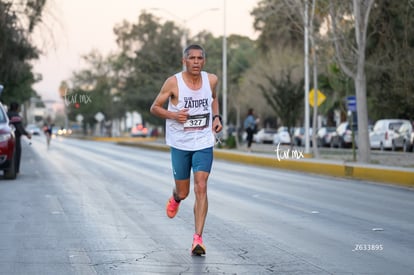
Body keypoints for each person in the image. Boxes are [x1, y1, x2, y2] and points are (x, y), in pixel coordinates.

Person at [150, 44, 222, 256]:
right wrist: (174, 115)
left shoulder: (211, 80)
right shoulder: (174, 83)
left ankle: (197, 239)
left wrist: (216, 117)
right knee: (184, 191)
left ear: (204, 61)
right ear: (185, 61)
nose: (196, 62)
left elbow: (214, 98)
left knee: (201, 185)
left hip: (203, 141)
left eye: (200, 58)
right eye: (192, 58)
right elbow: (154, 107)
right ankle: (176, 198)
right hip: (180, 143)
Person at [7, 102, 32, 174]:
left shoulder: (6, 114)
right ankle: (16, 170)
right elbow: (19, 127)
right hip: (15, 138)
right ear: (17, 108)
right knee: (17, 153)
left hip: (6, 138)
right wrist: (27, 134)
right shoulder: (16, 116)